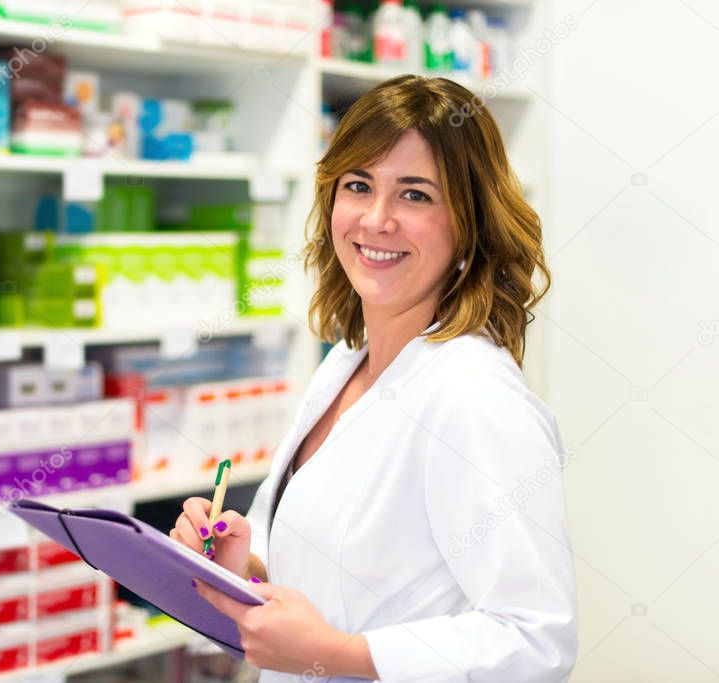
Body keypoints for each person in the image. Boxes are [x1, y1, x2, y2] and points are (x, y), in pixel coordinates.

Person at [170, 75, 578, 682]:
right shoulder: (344, 363)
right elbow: (326, 576)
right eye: (358, 186)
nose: (376, 219)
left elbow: (536, 640)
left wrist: (334, 655)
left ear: (469, 223)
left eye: (415, 195)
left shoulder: (474, 399)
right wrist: (247, 566)